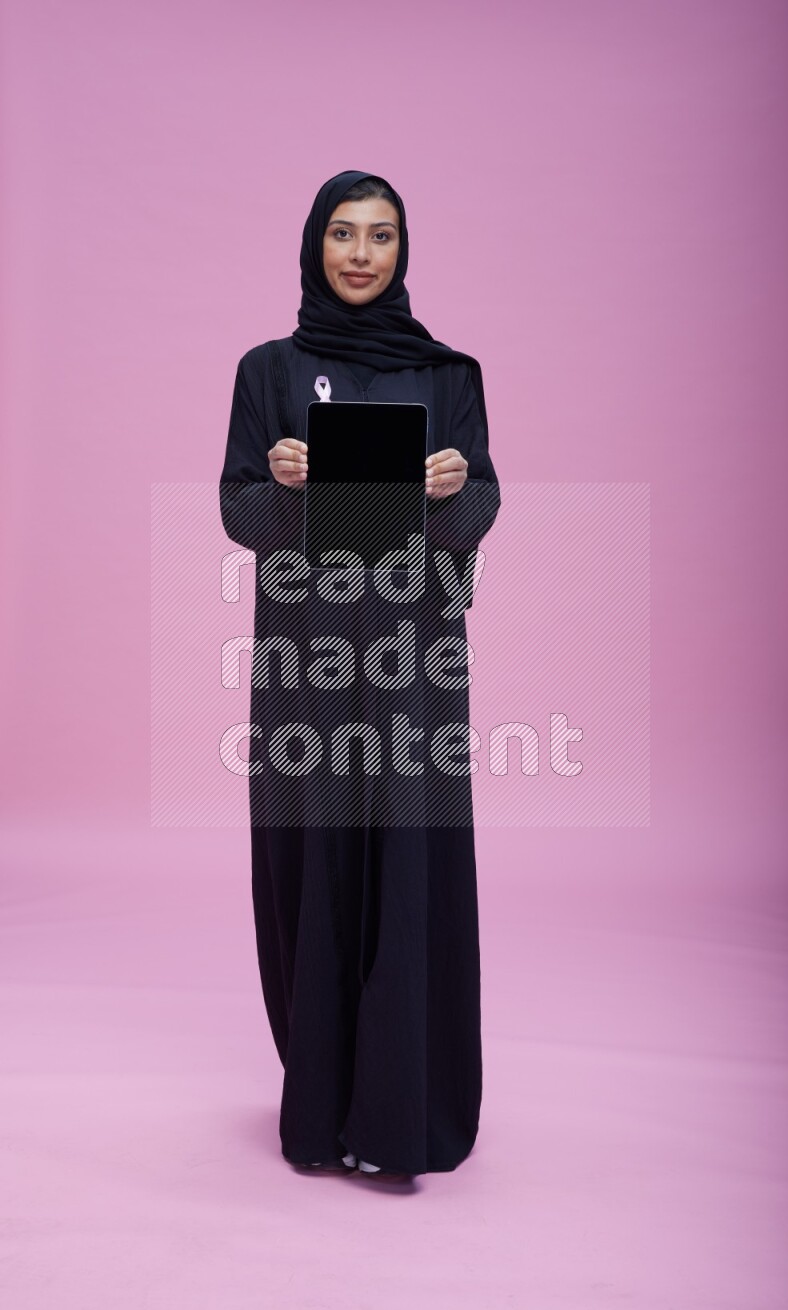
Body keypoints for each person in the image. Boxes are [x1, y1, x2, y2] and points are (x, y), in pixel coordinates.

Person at [219, 170, 501, 1180]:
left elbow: (482, 503)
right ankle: (321, 1105)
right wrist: (283, 485)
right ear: (313, 244)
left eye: (380, 236)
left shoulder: (448, 374)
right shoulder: (268, 370)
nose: (359, 253)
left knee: (409, 859)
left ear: (402, 252)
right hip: (307, 660)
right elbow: (237, 509)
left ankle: (404, 1115)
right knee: (318, 857)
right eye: (341, 233)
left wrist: (454, 486)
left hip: (414, 660)